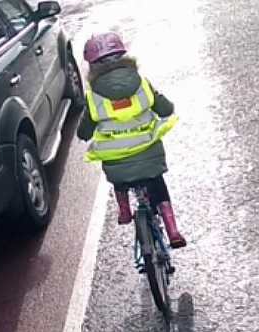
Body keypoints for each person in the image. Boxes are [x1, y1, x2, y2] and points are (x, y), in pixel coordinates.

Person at [76, 32, 186, 248]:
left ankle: (125, 212)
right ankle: (173, 230)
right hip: (149, 153)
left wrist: (84, 134)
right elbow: (165, 108)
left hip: (116, 160)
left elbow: (84, 131)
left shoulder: (92, 97)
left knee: (118, 173)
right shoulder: (142, 83)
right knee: (156, 181)